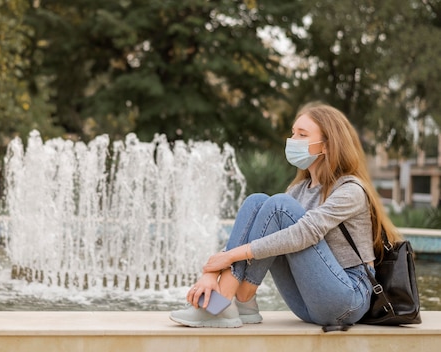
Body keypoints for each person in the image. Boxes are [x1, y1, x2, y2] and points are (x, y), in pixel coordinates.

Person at [169, 103, 402, 329]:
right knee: (257, 202)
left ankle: (223, 301)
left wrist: (227, 258)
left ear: (326, 146)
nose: (292, 141)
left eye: (302, 134)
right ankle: (243, 302)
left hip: (347, 299)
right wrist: (210, 272)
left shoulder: (350, 189)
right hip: (307, 303)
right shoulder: (298, 190)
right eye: (293, 133)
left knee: (278, 206)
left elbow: (305, 233)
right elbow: (261, 234)